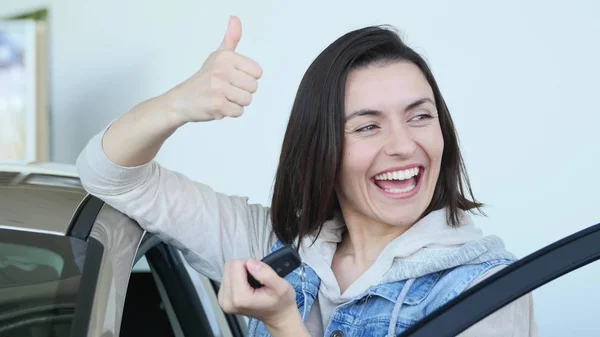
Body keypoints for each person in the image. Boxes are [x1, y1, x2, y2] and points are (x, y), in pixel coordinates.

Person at [76, 16, 537, 337]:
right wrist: (177, 104)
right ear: (322, 150)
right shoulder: (272, 243)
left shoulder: (487, 292)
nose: (402, 144)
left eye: (420, 117)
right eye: (368, 125)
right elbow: (112, 176)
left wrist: (283, 323)